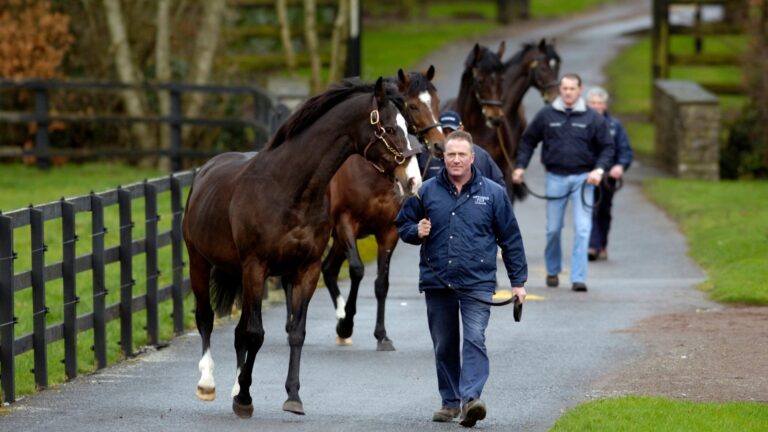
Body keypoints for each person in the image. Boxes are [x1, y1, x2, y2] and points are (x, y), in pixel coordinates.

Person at [396, 130, 527, 427]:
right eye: (451, 154)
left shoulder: (493, 193)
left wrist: (518, 283)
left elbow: (511, 240)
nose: (456, 160)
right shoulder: (425, 191)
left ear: (472, 158)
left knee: (475, 338)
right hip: (437, 279)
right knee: (444, 343)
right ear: (444, 157)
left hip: (477, 282)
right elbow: (402, 224)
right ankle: (450, 402)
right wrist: (416, 231)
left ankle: (471, 400)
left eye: (461, 155)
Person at [511, 73, 614, 292]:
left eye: (572, 88)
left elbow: (607, 147)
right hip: (555, 177)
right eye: (564, 88)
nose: (568, 92)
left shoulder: (592, 118)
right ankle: (553, 269)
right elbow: (528, 140)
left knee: (583, 228)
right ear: (560, 89)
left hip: (583, 178)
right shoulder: (547, 115)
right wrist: (521, 166)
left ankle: (578, 277)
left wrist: (599, 170)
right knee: (553, 229)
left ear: (580, 89)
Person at [585, 86, 633, 261]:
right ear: (587, 104)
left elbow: (625, 150)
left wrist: (620, 166)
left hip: (607, 179)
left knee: (604, 211)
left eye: (600, 103)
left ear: (605, 105)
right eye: (593, 103)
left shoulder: (615, 126)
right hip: (587, 177)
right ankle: (593, 245)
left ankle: (602, 244)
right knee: (589, 209)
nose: (597, 106)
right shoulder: (582, 123)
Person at [419, 110, 505, 186]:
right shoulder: (425, 155)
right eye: (444, 132)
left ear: (461, 129)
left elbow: (499, 184)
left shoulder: (480, 155)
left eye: (452, 131)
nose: (449, 136)